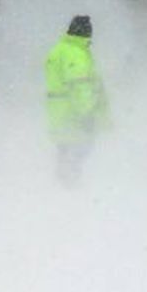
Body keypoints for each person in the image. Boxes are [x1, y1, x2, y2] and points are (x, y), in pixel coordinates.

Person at [44, 15, 109, 184]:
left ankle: (63, 187)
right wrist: (86, 113)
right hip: (73, 115)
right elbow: (80, 86)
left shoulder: (59, 50)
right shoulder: (75, 53)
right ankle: (71, 187)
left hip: (59, 114)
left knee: (65, 151)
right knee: (79, 152)